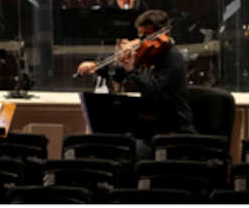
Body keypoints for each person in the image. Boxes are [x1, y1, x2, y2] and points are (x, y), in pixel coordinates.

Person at [76, 9, 195, 159]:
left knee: (129, 151)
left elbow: (152, 89)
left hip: (174, 128)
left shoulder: (172, 58)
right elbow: (119, 71)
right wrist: (95, 66)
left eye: (146, 36)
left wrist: (131, 68)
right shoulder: (148, 53)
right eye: (140, 36)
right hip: (151, 126)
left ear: (162, 33)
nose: (142, 41)